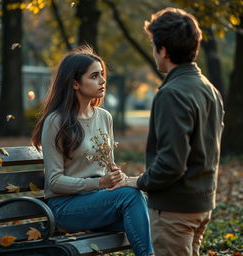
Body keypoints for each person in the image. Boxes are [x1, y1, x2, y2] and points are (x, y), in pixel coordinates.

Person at [110, 7, 224, 256]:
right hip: (201, 205)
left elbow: (171, 164)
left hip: (175, 210)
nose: (154, 52)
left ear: (163, 50)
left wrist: (137, 181)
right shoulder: (210, 90)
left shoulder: (172, 93)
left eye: (153, 45)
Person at [31, 45, 154, 256]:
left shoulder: (104, 117)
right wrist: (98, 183)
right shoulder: (56, 121)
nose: (103, 81)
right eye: (95, 76)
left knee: (149, 207)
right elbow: (54, 181)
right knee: (132, 197)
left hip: (99, 202)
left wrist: (116, 178)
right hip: (65, 208)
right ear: (75, 83)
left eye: (102, 75)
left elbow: (108, 167)